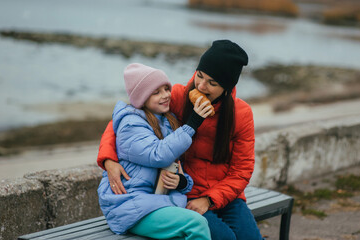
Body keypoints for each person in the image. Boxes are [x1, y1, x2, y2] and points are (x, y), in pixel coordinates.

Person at [98, 40, 264, 240]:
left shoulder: (241, 114)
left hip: (225, 195)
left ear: (227, 89)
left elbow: (242, 170)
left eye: (212, 83)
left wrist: (210, 200)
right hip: (187, 193)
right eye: (199, 76)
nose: (201, 86)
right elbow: (125, 119)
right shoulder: (177, 96)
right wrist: (109, 159)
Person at [97, 63, 212, 239]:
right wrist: (193, 123)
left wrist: (181, 182)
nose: (166, 95)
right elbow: (158, 154)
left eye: (166, 89)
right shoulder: (131, 124)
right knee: (196, 224)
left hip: (153, 202)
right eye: (156, 92)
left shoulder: (167, 121)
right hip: (129, 206)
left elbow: (174, 168)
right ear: (142, 98)